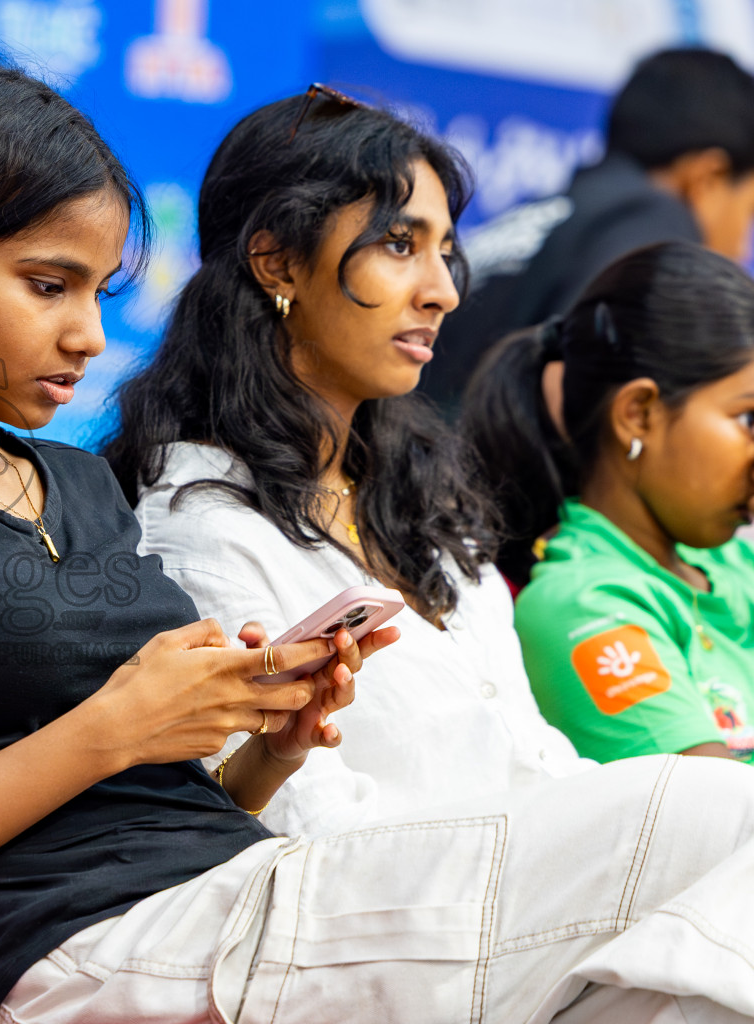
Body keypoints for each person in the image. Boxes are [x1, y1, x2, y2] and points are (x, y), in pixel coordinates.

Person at [0, 59, 754, 1024]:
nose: (87, 334)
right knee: (711, 814)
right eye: (48, 285)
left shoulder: (76, 484)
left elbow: (153, 808)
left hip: (234, 901)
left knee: (668, 993)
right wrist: (112, 728)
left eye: (101, 291)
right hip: (98, 956)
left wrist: (270, 743)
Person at [105, 86, 589, 839]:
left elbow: (539, 763)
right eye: (399, 244)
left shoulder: (427, 503)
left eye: (446, 252)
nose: (442, 292)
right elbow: (307, 833)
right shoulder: (200, 526)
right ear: (277, 263)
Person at [466, 242, 754, 764]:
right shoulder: (584, 604)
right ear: (638, 413)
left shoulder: (734, 559)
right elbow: (720, 806)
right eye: (748, 420)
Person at [420, 48, 754, 417]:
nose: (743, 250)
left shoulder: (554, 213)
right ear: (707, 178)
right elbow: (579, 392)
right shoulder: (652, 220)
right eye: (749, 212)